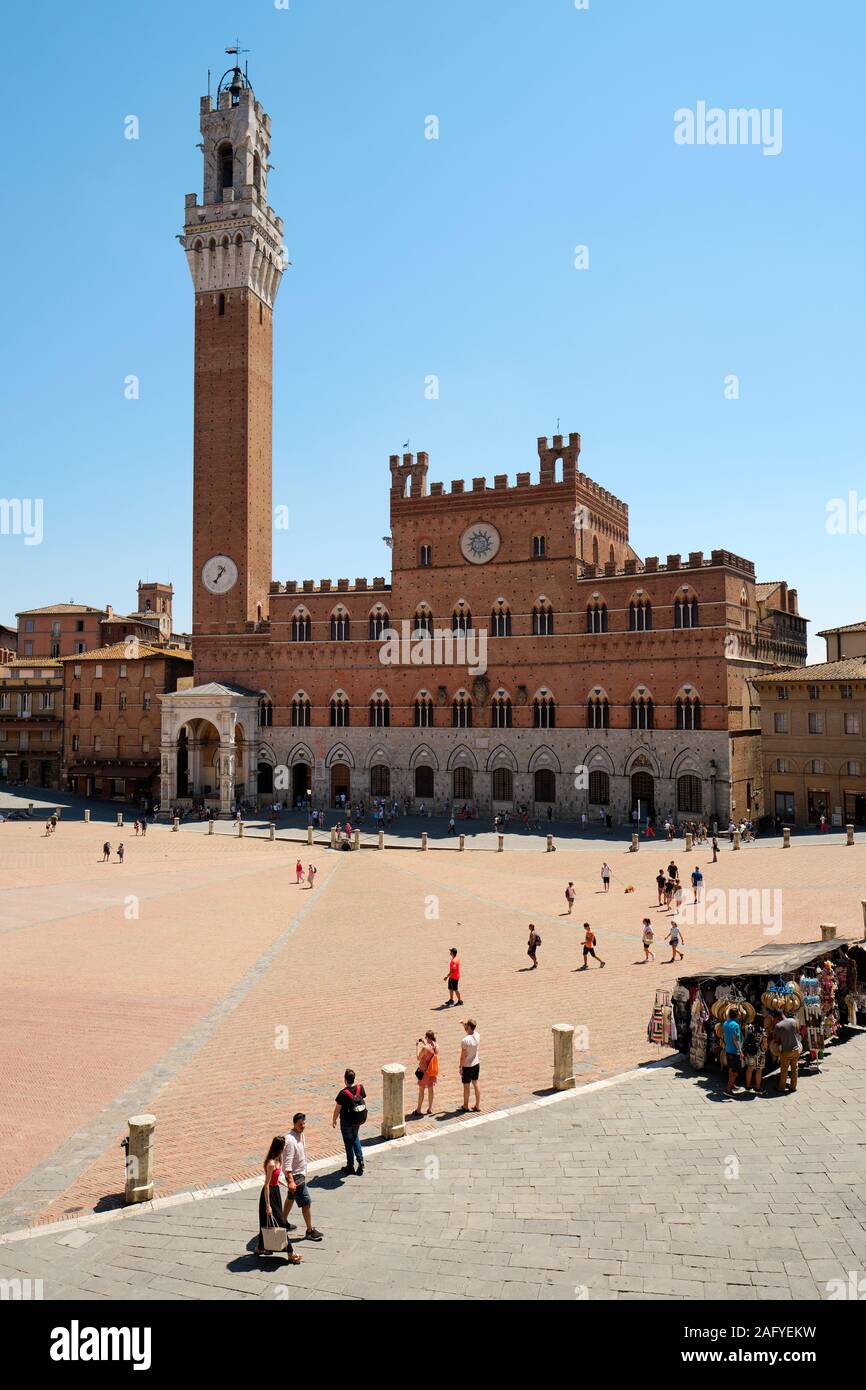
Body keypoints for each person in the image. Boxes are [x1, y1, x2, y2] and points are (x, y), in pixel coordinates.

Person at [256, 1135, 301, 1262]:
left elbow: (276, 1180)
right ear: (279, 1148)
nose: (285, 1149)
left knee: (266, 1221)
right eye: (284, 1147)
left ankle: (260, 1247)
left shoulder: (278, 1160)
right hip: (268, 1195)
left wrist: (287, 1185)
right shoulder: (271, 1163)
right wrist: (268, 1205)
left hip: (276, 1192)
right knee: (281, 1222)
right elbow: (266, 1185)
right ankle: (291, 1253)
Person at [283, 1113, 323, 1240]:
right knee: (306, 1202)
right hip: (295, 1177)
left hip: (300, 1174)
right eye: (300, 1124)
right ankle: (310, 1231)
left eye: (304, 1123)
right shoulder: (290, 1140)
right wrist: (291, 1181)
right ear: (294, 1124)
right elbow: (287, 1164)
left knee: (290, 1198)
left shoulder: (301, 1134)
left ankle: (282, 1222)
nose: (303, 1126)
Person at [332, 1068, 366, 1175]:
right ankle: (360, 1161)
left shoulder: (342, 1093)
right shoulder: (360, 1088)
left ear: (345, 1080)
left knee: (348, 1143)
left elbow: (337, 1108)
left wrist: (334, 1119)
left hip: (346, 1121)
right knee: (355, 1137)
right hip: (357, 1119)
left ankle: (350, 1166)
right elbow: (362, 1098)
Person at [772, 1012, 801, 1093]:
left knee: (784, 1070)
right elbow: (797, 1033)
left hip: (786, 1051)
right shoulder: (793, 1021)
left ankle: (781, 1088)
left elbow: (777, 1040)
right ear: (783, 1014)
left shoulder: (778, 1026)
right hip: (796, 1049)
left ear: (777, 1018)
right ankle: (793, 1087)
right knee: (794, 1069)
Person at [412, 1030, 439, 1116]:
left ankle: (419, 1109)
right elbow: (430, 1051)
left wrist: (417, 1046)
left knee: (421, 1090)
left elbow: (418, 1058)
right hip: (432, 1070)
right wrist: (424, 1042)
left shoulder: (424, 1048)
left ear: (427, 1037)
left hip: (424, 1072)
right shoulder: (436, 1046)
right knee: (431, 1090)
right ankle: (430, 1109)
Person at [459, 1019, 481, 1112]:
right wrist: (464, 1024)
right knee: (475, 1083)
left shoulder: (465, 1040)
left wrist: (460, 1067)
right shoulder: (477, 1035)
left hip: (467, 1066)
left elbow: (463, 1056)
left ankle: (465, 1105)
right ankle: (477, 1105)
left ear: (468, 1027)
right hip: (476, 1063)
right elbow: (470, 1030)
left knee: (466, 1086)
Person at [722, 1010, 745, 1096]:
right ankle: (728, 1090)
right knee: (735, 1072)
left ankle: (731, 1084)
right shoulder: (735, 1025)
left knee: (731, 1069)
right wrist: (740, 1051)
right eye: (739, 1014)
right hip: (734, 1051)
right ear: (736, 1015)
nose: (740, 1015)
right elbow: (735, 1039)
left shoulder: (726, 1023)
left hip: (728, 1050)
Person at [743, 1019, 768, 1092]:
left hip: (750, 1051)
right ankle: (757, 1088)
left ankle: (747, 1086)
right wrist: (765, 1049)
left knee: (749, 1069)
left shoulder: (749, 1028)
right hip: (760, 1053)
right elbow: (765, 1043)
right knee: (758, 1070)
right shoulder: (763, 1030)